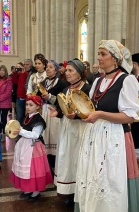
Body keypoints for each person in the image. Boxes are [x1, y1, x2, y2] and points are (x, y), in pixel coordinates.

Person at [75, 40, 139, 212]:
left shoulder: (127, 80)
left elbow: (129, 117)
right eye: (98, 54)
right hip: (95, 136)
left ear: (115, 59)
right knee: (95, 178)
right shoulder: (98, 81)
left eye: (103, 54)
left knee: (111, 180)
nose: (99, 58)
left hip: (116, 136)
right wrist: (83, 114)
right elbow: (92, 107)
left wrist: (101, 115)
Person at [48, 59, 92, 207]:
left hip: (81, 129)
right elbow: (65, 108)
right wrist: (58, 112)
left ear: (80, 73)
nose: (66, 73)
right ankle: (70, 191)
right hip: (67, 128)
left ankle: (81, 191)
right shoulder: (66, 89)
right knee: (68, 159)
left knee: (78, 159)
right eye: (66, 70)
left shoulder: (87, 88)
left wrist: (77, 115)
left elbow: (91, 111)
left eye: (70, 70)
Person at [9, 95, 53, 201]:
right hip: (25, 145)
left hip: (34, 147)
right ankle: (28, 189)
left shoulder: (39, 119)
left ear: (38, 106)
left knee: (34, 169)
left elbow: (35, 135)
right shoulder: (28, 117)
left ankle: (36, 192)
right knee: (26, 168)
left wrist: (21, 131)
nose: (28, 107)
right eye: (27, 104)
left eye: (31, 105)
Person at [37, 60, 67, 173]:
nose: (48, 69)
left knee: (54, 136)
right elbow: (39, 97)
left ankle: (56, 167)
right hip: (45, 111)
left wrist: (49, 97)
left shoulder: (61, 83)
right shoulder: (43, 82)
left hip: (54, 112)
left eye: (51, 67)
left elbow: (62, 101)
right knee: (45, 136)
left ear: (56, 69)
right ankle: (47, 166)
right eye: (47, 67)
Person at [0, 65, 12, 139]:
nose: (1, 72)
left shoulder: (8, 80)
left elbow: (8, 93)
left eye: (3, 70)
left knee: (3, 119)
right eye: (0, 70)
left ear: (5, 71)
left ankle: (4, 133)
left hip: (5, 103)